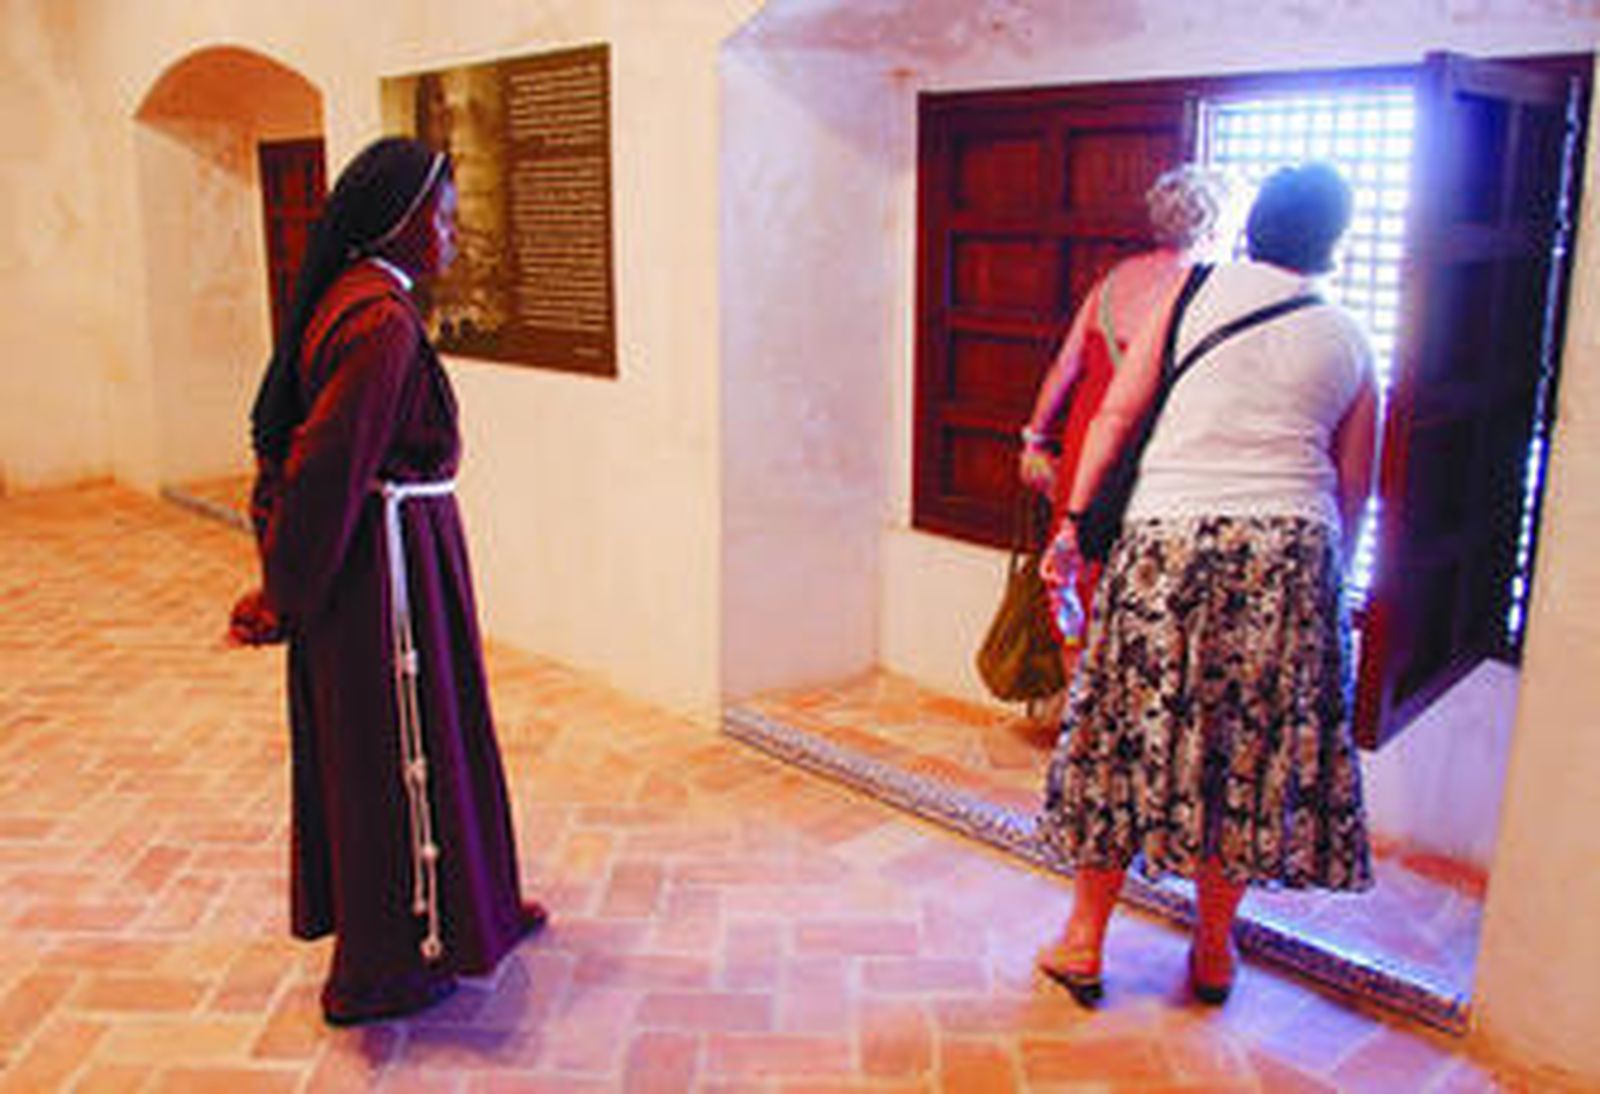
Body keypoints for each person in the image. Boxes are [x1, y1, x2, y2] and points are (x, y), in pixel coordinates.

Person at [1034, 163, 1379, 1007]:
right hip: (1289, 554)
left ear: (1253, 222)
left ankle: (1083, 941)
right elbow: (1354, 482)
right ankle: (1216, 951)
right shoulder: (1349, 336)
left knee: (1123, 730)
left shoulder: (1194, 289)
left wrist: (1077, 523)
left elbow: (1118, 408)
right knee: (1243, 747)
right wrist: (1334, 584)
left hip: (1169, 540)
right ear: (1337, 240)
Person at [228, 137, 545, 1025]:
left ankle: (470, 905)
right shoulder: (380, 322)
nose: (451, 232)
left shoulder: (368, 301)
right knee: (394, 746)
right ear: (399, 224)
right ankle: (387, 965)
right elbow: (327, 466)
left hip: (399, 551)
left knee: (437, 731)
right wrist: (283, 594)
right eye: (440, 216)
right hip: (387, 573)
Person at [1018, 165, 1234, 659]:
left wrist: (1034, 438)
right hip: (1144, 451)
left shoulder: (1114, 281)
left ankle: (1076, 717)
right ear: (1214, 225)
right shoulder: (1200, 291)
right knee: (1135, 589)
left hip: (1083, 448)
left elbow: (1065, 365)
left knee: (1073, 580)